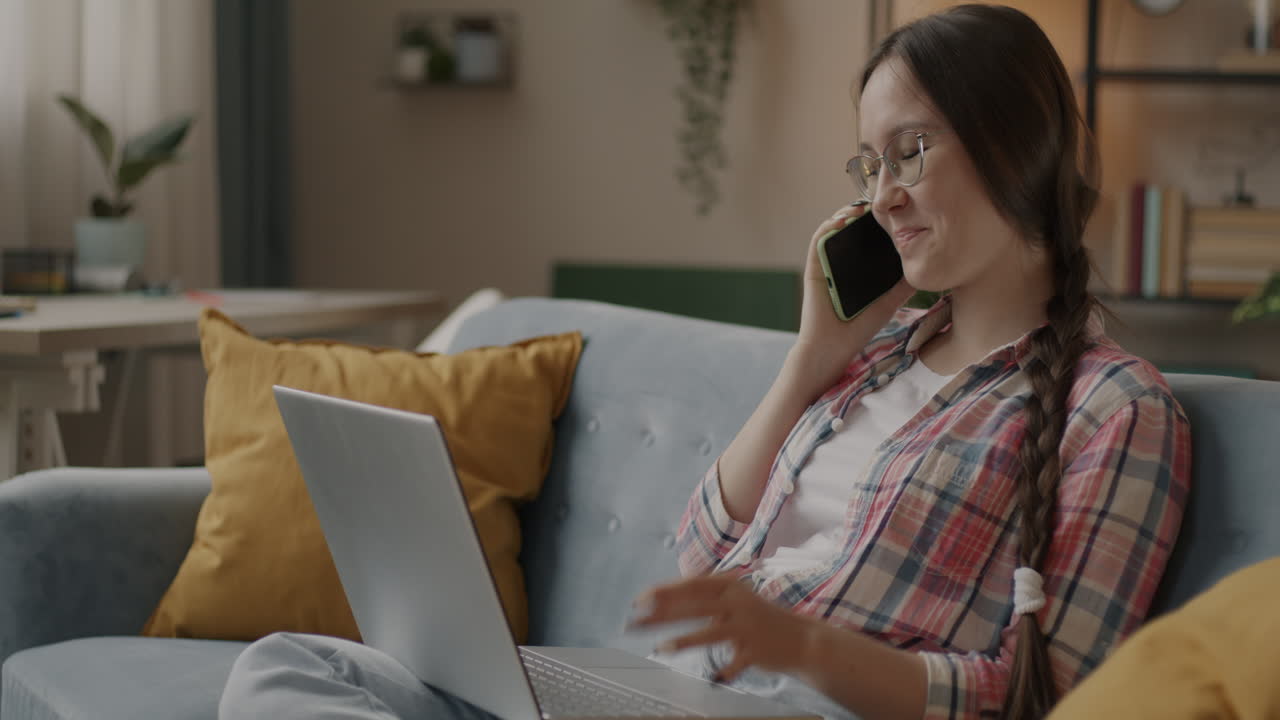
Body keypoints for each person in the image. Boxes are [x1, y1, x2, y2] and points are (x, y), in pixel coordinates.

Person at [218, 5, 1191, 720]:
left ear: (1015, 146)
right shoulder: (879, 358)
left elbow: (1049, 698)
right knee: (290, 668)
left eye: (910, 151)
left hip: (803, 708)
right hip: (675, 691)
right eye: (869, 165)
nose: (882, 197)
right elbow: (700, 551)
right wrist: (810, 360)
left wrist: (802, 648)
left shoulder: (1114, 411)